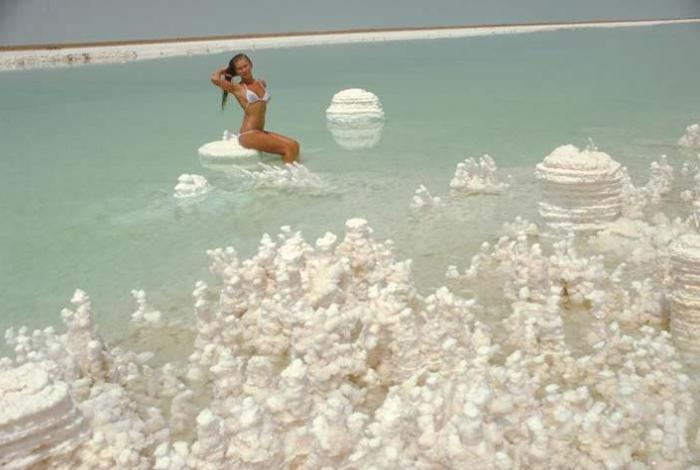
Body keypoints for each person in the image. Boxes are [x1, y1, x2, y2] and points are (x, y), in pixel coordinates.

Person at [210, 53, 300, 163]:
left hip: (259, 131)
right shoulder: (237, 88)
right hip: (248, 134)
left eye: (245, 66)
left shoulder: (261, 83)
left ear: (251, 65)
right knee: (289, 148)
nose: (244, 70)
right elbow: (214, 78)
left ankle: (288, 172)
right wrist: (227, 68)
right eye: (239, 69)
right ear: (236, 72)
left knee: (295, 145)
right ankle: (288, 177)